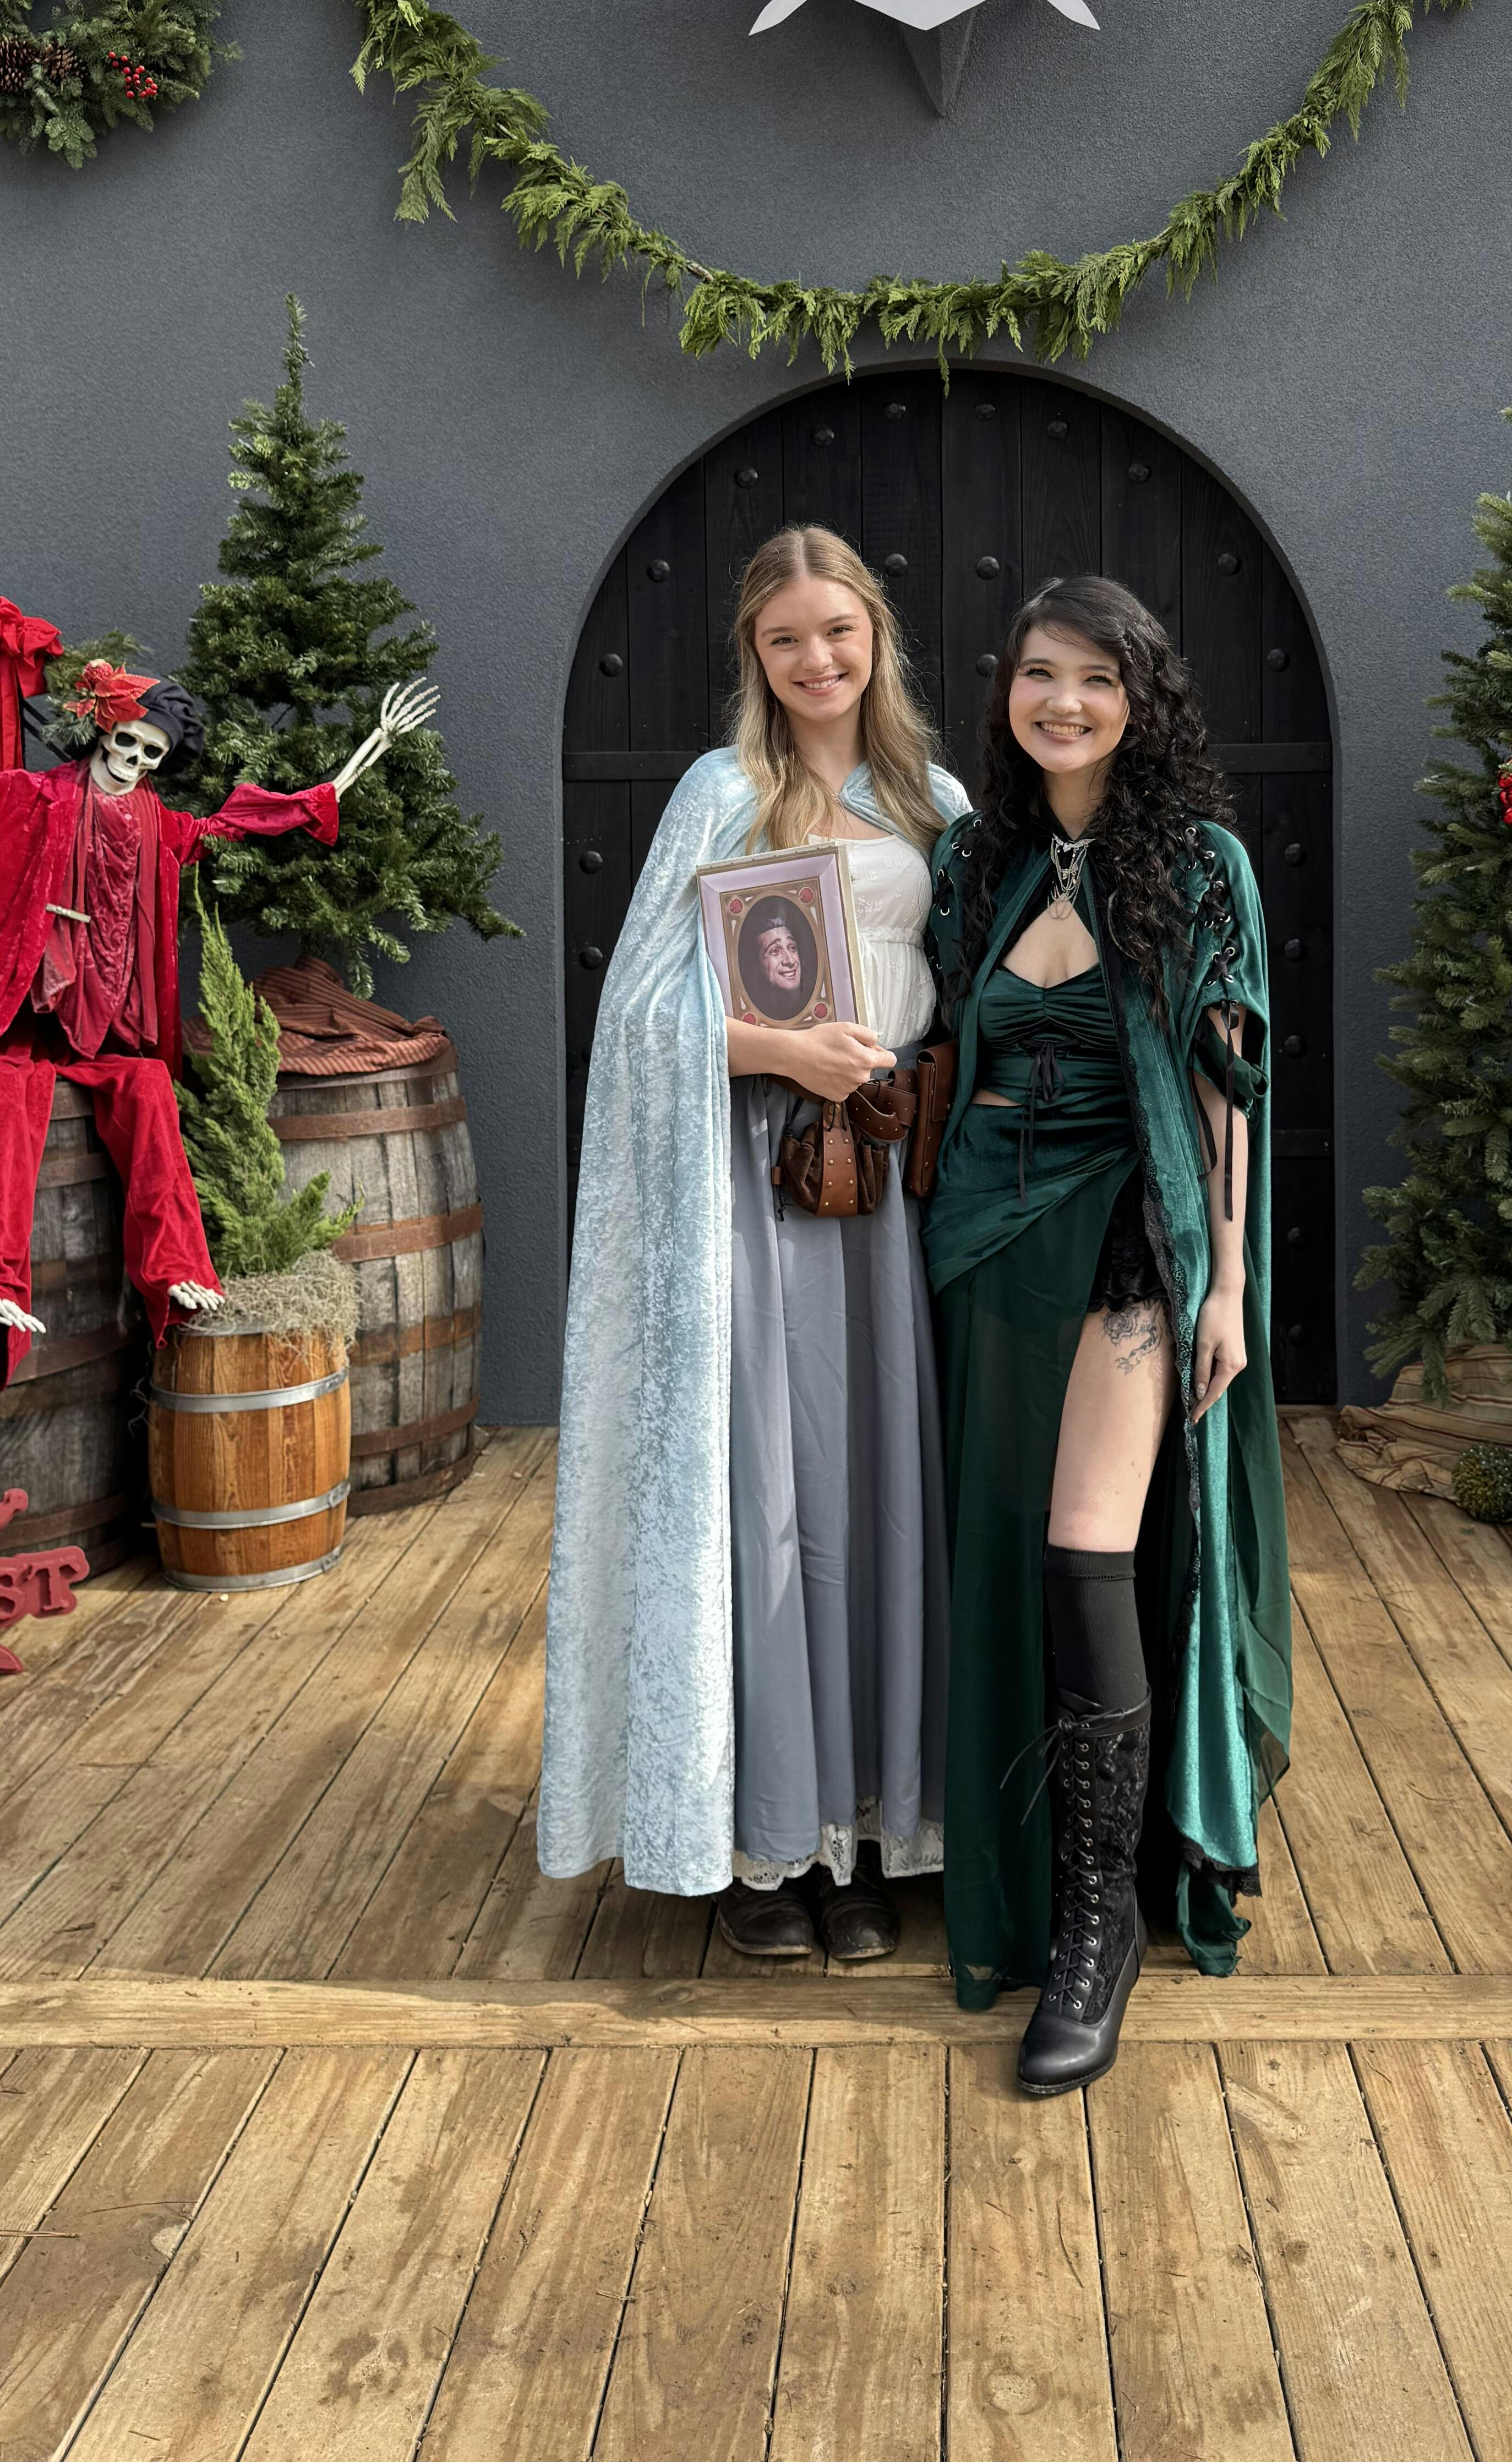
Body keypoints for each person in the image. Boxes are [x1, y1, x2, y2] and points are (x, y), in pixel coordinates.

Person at [540, 525, 968, 1959]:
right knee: (773, 1494)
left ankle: (870, 1828)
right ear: (755, 655)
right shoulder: (721, 794)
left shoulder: (938, 799)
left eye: (837, 631)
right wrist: (785, 1049)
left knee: (881, 1488)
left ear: (875, 635)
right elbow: (638, 1020)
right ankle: (765, 1841)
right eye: (786, 639)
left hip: (898, 1177)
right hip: (757, 1178)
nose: (816, 659)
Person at [924, 576, 1291, 2094]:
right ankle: (1011, 1868)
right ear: (1006, 692)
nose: (1062, 702)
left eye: (1094, 678)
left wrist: (1230, 1286)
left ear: (1140, 701)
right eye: (1038, 674)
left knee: (1088, 1553)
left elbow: (1227, 1089)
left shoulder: (1201, 864)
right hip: (980, 1241)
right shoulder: (974, 858)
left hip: (1135, 1230)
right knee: (1003, 1558)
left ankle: (1098, 1925)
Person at [0, 660, 435, 1389]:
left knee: (148, 1088)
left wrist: (338, 783)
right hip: (15, 1020)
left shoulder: (155, 823)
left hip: (102, 1028)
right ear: (103, 730)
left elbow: (228, 827)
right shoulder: (23, 799)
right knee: (1, 1091)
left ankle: (177, 1269)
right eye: (129, 742)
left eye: (152, 753)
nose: (135, 760)